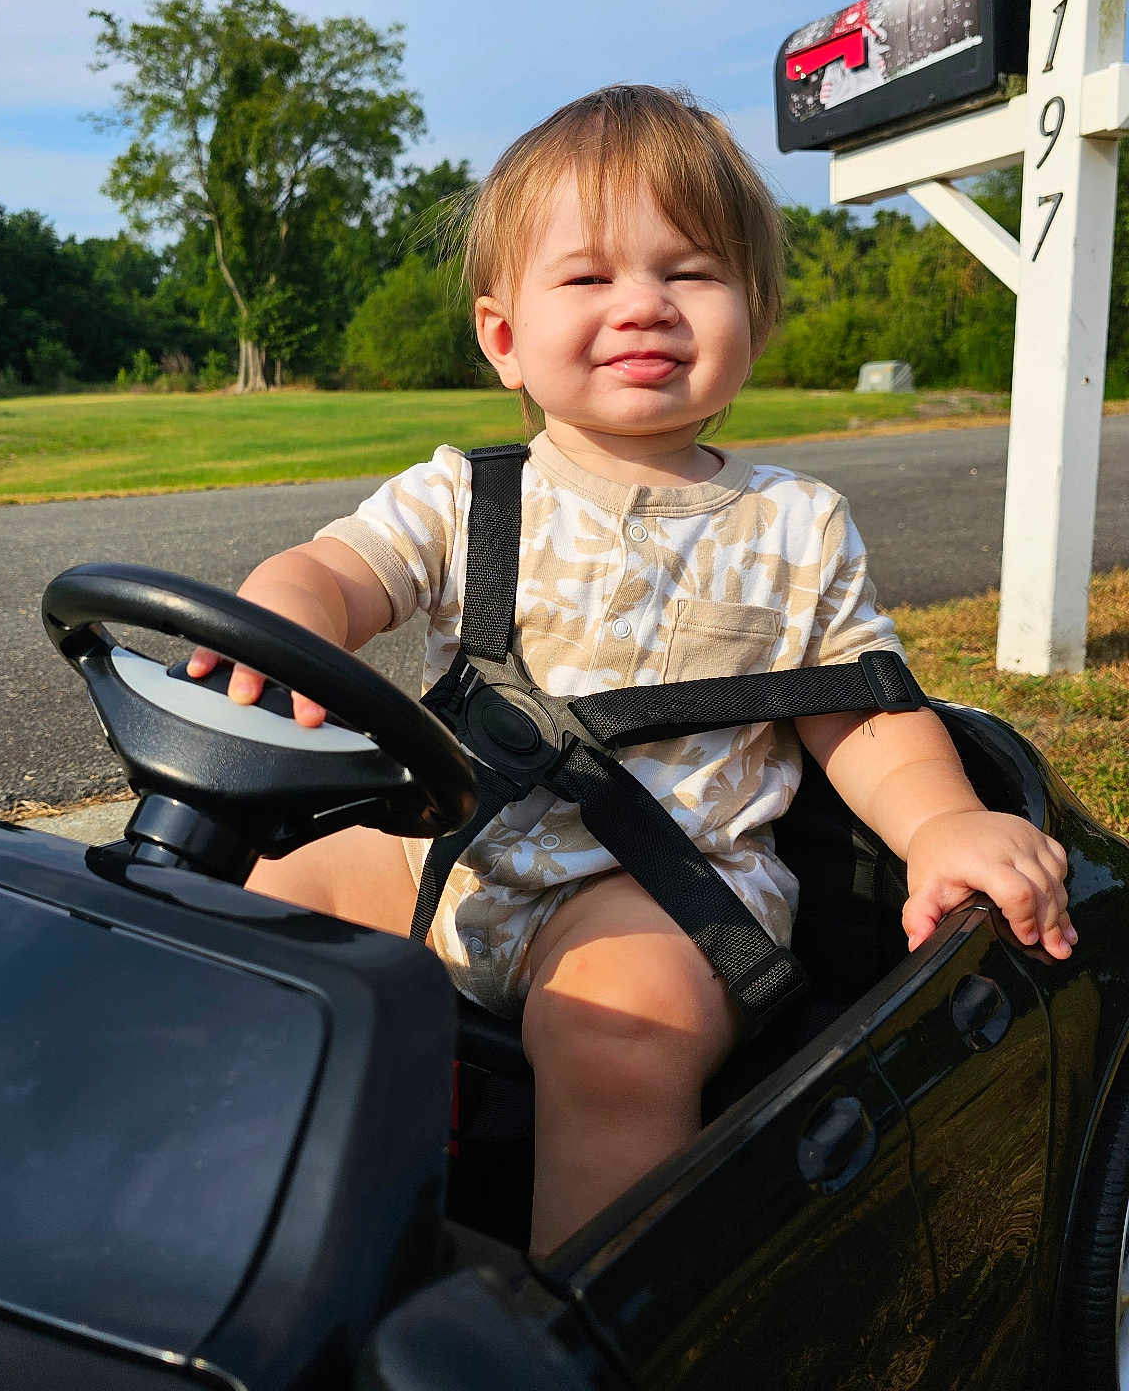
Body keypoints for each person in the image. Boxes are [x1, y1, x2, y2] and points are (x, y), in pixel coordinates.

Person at [188, 84, 1073, 1257]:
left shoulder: (793, 524)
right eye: (590, 277)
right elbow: (341, 570)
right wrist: (293, 605)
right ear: (504, 337)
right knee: (243, 895)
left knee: (617, 1030)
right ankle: (230, 1230)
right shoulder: (465, 494)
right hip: (443, 853)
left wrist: (943, 823)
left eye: (689, 272)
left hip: (661, 892)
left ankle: (578, 1304)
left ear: (756, 313)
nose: (644, 305)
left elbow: (863, 715)